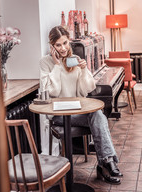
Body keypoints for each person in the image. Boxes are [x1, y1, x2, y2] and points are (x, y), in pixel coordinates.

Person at [39, 25, 123, 184]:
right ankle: (106, 163)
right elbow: (53, 92)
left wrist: (84, 70)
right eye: (58, 45)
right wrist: (57, 66)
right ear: (52, 46)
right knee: (100, 118)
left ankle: (105, 162)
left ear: (69, 41)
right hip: (58, 115)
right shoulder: (45, 63)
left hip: (77, 111)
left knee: (98, 115)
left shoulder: (74, 61)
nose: (63, 48)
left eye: (65, 43)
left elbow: (87, 89)